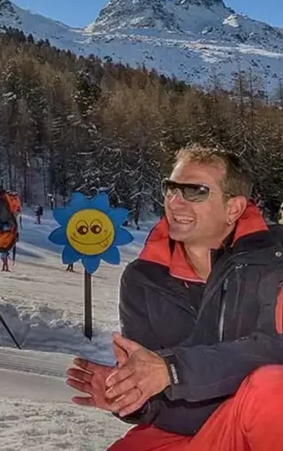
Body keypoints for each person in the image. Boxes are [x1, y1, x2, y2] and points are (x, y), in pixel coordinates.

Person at [67, 145, 283, 450]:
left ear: (233, 208)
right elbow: (157, 399)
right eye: (171, 188)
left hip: (261, 423)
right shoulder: (143, 279)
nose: (175, 202)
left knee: (273, 390)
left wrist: (173, 370)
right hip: (189, 434)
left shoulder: (274, 260)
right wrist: (131, 396)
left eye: (195, 191)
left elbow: (275, 349)